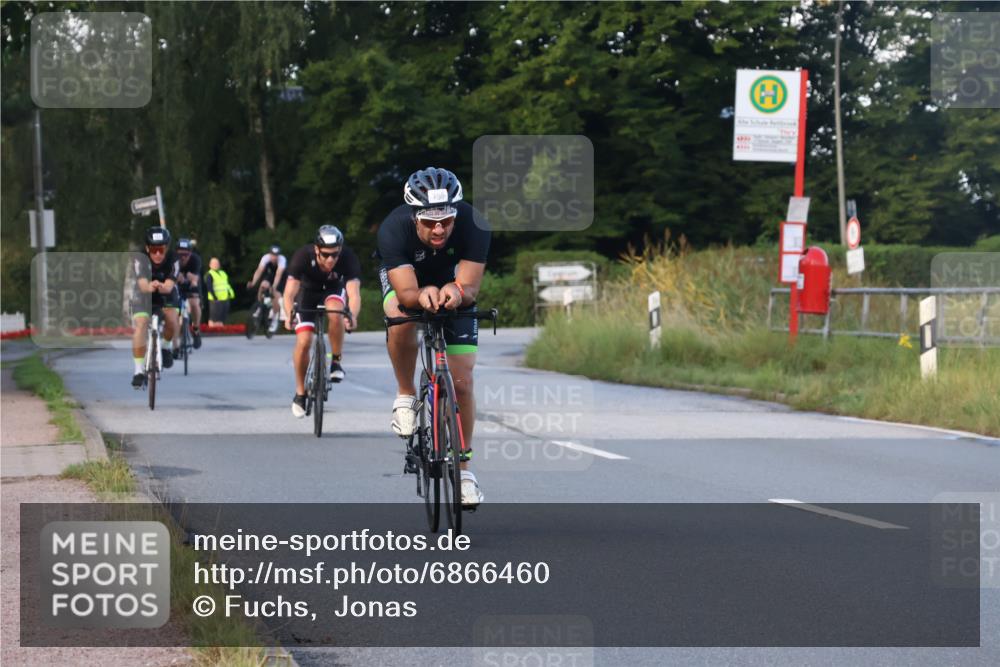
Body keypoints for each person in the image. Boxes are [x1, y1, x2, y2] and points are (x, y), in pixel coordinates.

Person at [376, 167, 490, 507]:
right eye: (428, 221)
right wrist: (421, 294)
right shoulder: (393, 229)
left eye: (446, 220)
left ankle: (465, 472)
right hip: (408, 279)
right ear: (414, 217)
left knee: (463, 382)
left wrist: (457, 293)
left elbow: (469, 285)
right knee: (399, 313)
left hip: (451, 283)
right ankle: (405, 394)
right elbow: (408, 292)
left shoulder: (474, 223)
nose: (439, 229)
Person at [283, 225, 362, 418]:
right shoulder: (303, 256)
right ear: (317, 249)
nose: (330, 260)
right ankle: (301, 393)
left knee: (336, 312)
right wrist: (288, 314)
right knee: (304, 342)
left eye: (334, 255)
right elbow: (289, 292)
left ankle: (336, 361)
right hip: (307, 294)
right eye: (325, 255)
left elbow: (354, 293)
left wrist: (352, 315)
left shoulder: (347, 258)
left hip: (332, 291)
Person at [130, 226, 180, 387]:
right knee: (141, 325)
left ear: (166, 248)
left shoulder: (174, 258)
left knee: (172, 320)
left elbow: (170, 286)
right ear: (147, 248)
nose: (157, 254)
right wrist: (151, 286)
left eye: (161, 250)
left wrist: (162, 286)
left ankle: (165, 347)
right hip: (144, 294)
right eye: (153, 250)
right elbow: (143, 284)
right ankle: (138, 370)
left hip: (165, 293)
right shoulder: (140, 258)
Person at [247, 244, 287, 333]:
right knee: (263, 285)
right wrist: (253, 282)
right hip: (270, 275)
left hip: (281, 278)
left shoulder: (282, 260)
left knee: (276, 294)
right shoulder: (265, 258)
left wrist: (274, 287)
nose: (274, 258)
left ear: (278, 256)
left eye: (276, 256)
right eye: (272, 255)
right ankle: (260, 305)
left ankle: (275, 318)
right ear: (269, 254)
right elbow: (259, 270)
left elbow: (278, 274)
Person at [173, 237, 203, 354]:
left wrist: (191, 279)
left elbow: (195, 280)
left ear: (190, 253)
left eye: (186, 254)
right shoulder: (173, 260)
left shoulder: (195, 260)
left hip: (191, 284)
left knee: (194, 303)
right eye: (180, 255)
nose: (183, 257)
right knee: (174, 314)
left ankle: (195, 329)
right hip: (177, 285)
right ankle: (175, 346)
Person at [205, 257, 235, 326]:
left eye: (217, 263)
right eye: (214, 263)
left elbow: (226, 285)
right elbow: (209, 287)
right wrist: (214, 297)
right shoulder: (210, 274)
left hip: (225, 298)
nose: (216, 265)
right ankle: (212, 331)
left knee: (222, 317)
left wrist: (230, 294)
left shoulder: (223, 273)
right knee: (214, 317)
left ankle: (220, 330)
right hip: (215, 299)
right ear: (210, 265)